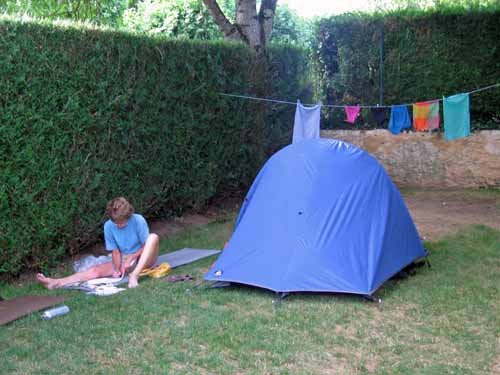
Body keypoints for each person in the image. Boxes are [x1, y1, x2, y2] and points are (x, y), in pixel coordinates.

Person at [37, 197, 159, 289]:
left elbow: (146, 245)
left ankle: (134, 276)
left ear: (129, 215)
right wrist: (117, 269)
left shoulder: (138, 220)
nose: (120, 225)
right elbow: (115, 251)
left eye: (123, 222)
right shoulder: (109, 226)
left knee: (153, 237)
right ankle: (56, 282)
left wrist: (132, 257)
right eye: (117, 223)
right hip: (125, 259)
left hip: (144, 257)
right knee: (95, 270)